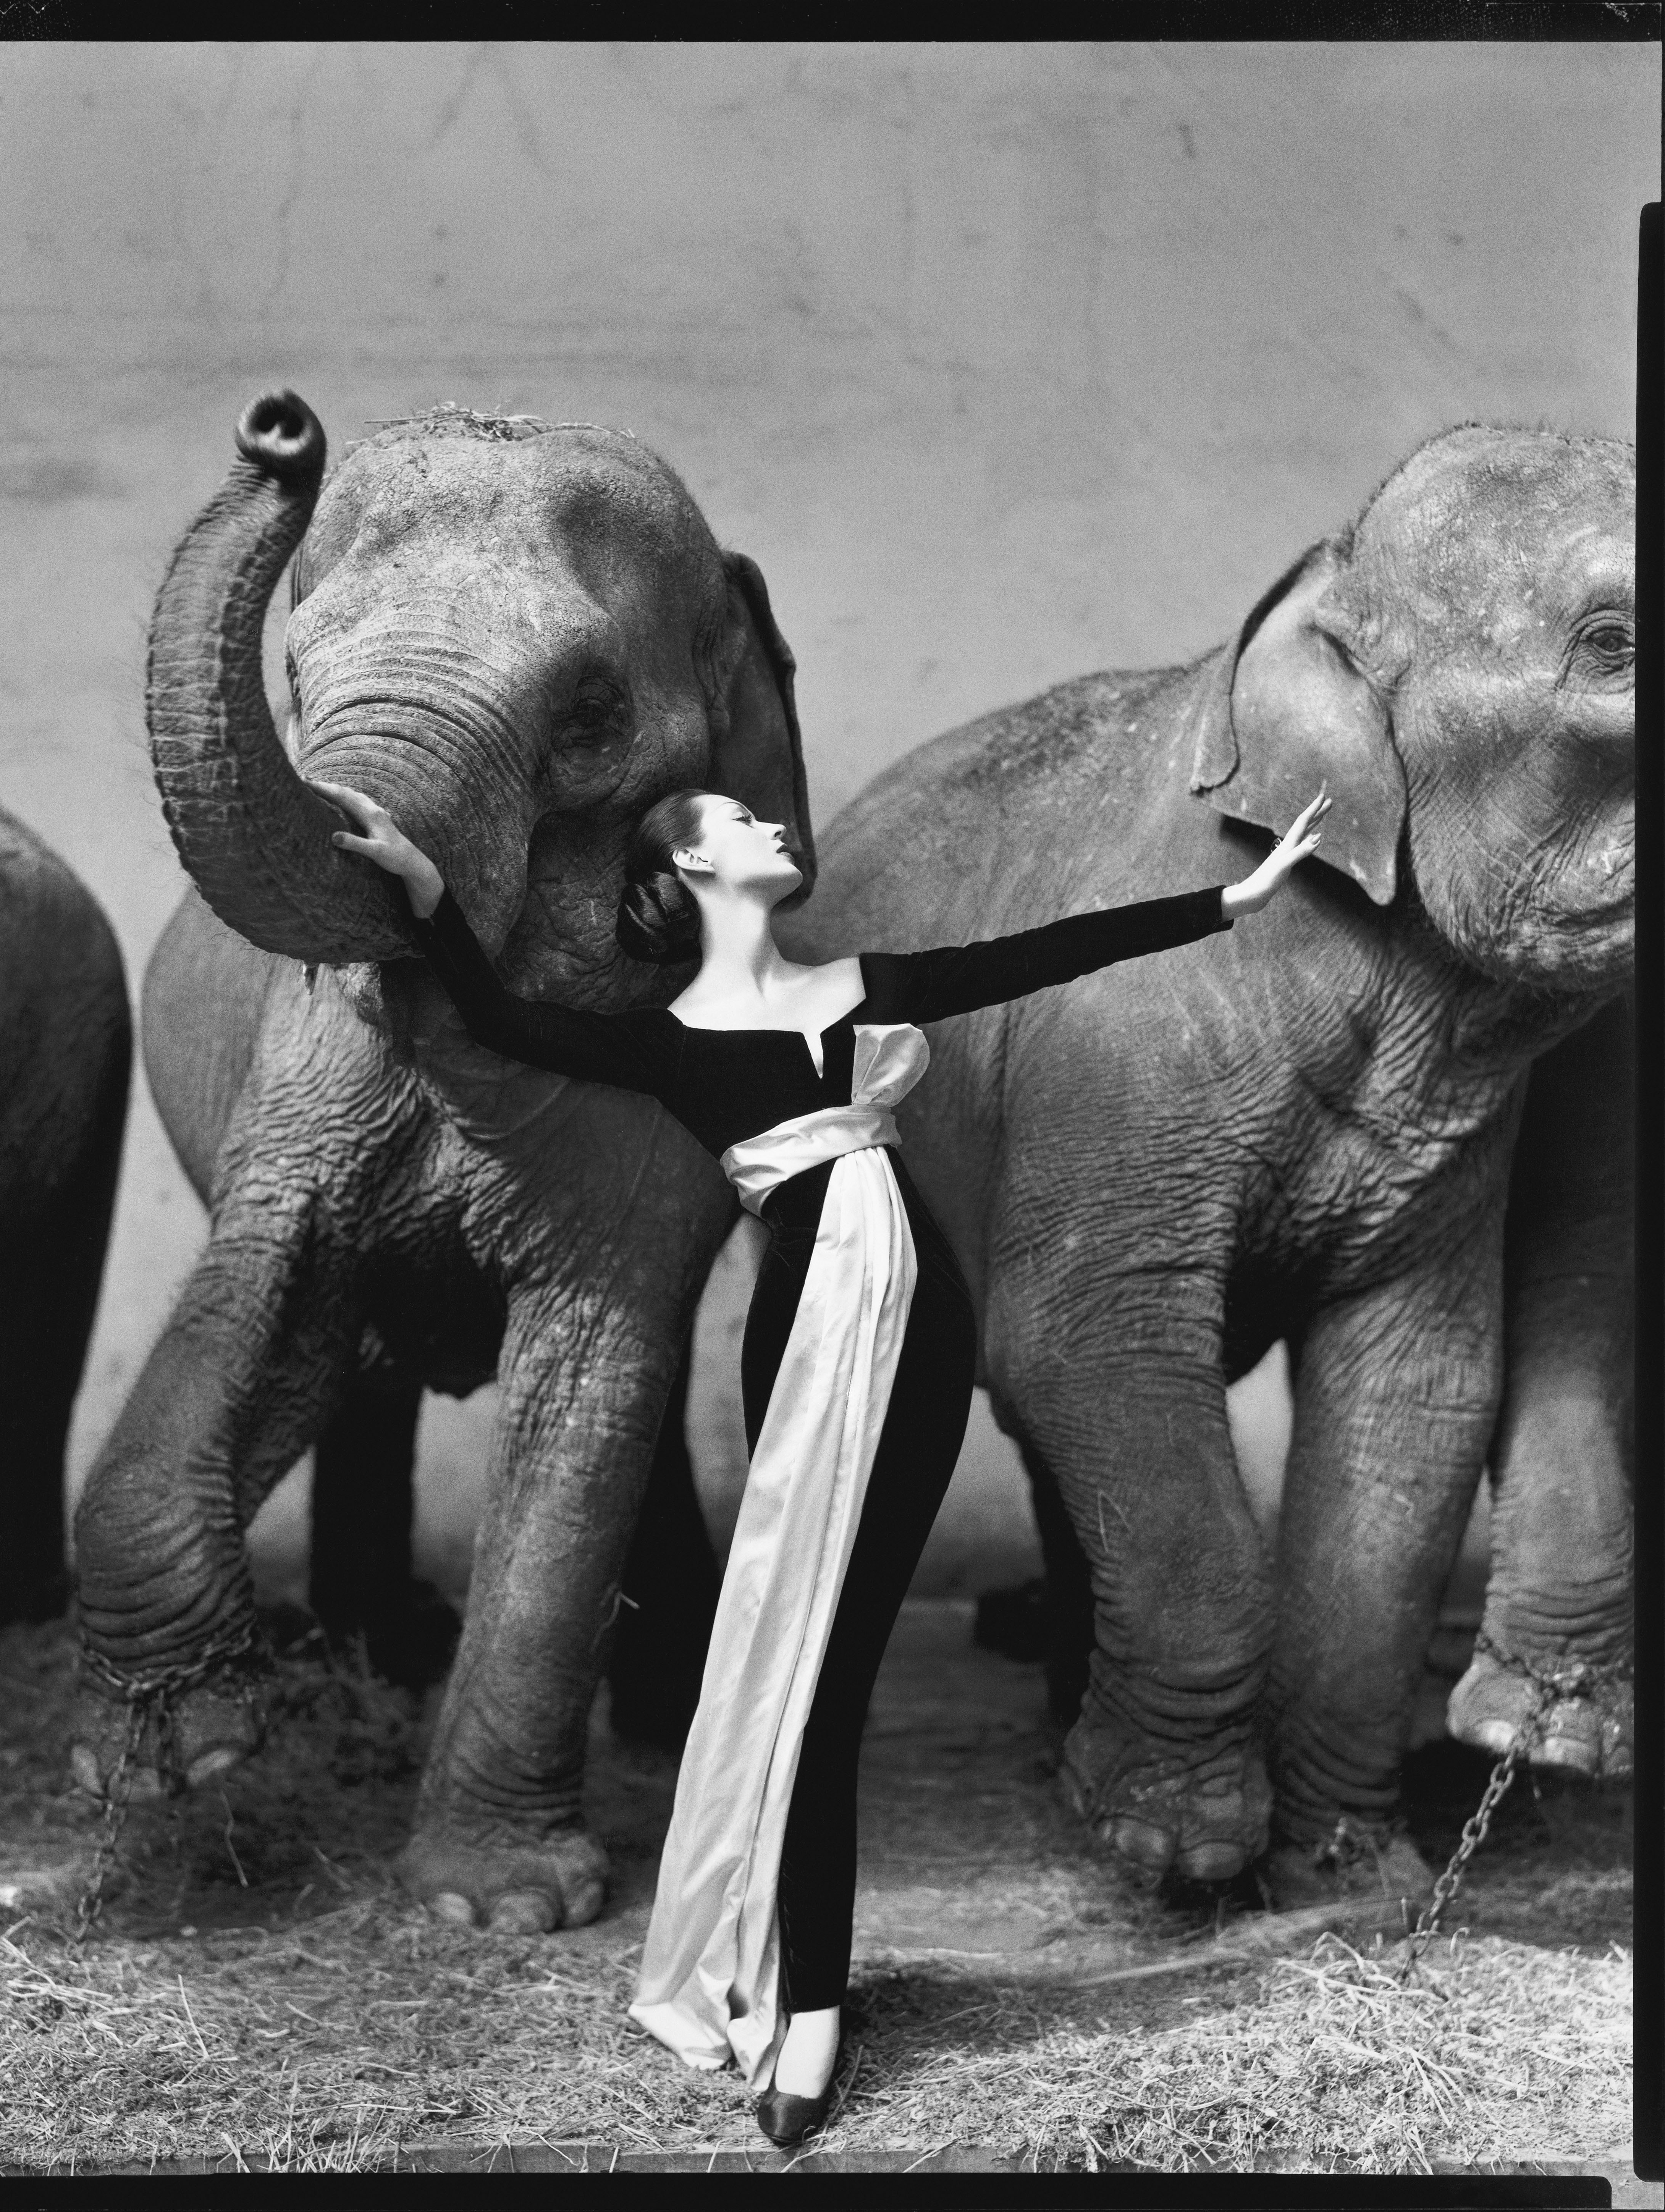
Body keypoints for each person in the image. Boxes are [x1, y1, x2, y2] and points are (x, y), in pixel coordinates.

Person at [313, 772, 1329, 2147]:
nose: (773, 828)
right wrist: (429, 899)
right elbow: (494, 1017)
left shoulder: (859, 983)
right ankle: (806, 2011)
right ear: (687, 870)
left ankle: (811, 1998)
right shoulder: (665, 1039)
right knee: (815, 1686)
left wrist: (1235, 900)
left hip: (919, 1331)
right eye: (738, 822)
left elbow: (1043, 954)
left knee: (837, 1662)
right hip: (806, 1337)